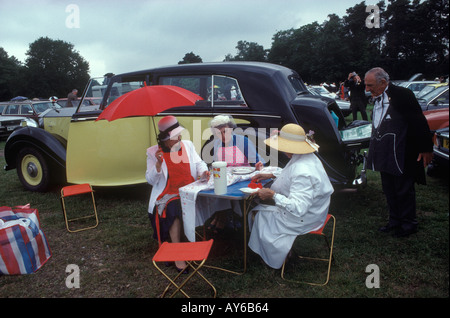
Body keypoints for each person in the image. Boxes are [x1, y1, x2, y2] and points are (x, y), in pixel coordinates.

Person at [247, 123, 334, 269]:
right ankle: (278, 252)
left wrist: (273, 195)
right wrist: (271, 174)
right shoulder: (306, 157)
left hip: (306, 217)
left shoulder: (303, 171)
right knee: (261, 211)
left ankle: (277, 257)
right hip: (316, 210)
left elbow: (299, 207)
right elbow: (291, 174)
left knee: (259, 214)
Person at [364, 67, 434, 238]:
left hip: (402, 151)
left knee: (403, 189)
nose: (367, 89)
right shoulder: (377, 98)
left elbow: (419, 121)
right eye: (366, 85)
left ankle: (408, 224)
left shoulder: (402, 95)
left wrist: (425, 148)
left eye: (370, 85)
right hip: (384, 150)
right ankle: (394, 221)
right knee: (389, 188)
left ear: (383, 82)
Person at [145, 115, 210, 271]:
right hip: (168, 192)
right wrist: (158, 165)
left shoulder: (187, 145)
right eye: (175, 136)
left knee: (209, 197)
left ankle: (203, 238)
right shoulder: (153, 152)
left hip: (189, 188)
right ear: (166, 139)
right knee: (173, 206)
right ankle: (177, 252)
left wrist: (203, 172)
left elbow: (199, 163)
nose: (180, 137)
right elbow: (150, 180)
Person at [207, 115, 265, 232]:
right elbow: (215, 163)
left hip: (243, 177)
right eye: (219, 133)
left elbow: (256, 162)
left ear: (231, 129)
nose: (223, 136)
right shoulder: (217, 143)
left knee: (224, 189)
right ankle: (222, 216)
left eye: (225, 132)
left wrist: (258, 166)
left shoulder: (243, 141)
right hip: (226, 176)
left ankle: (223, 217)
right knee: (218, 188)